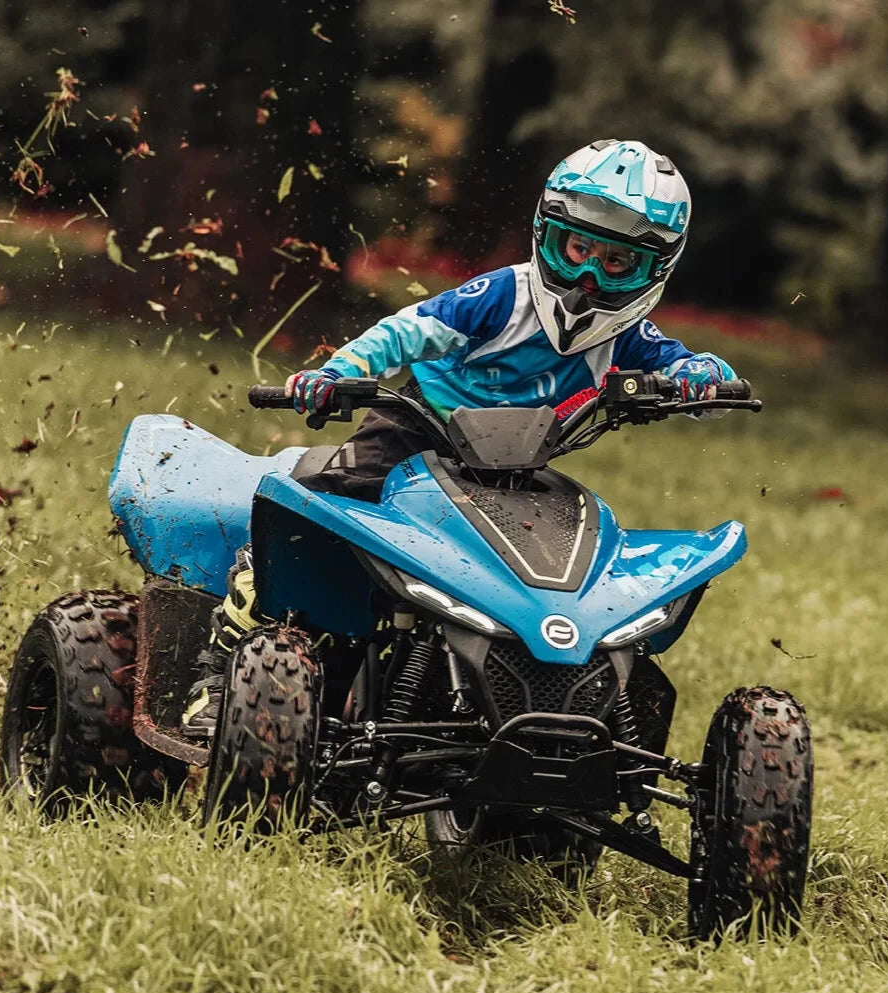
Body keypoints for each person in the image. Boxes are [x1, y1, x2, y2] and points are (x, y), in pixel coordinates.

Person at [180, 138, 738, 738]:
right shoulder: (503, 296)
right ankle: (219, 670)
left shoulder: (629, 337)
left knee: (557, 568)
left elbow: (689, 368)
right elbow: (406, 331)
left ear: (654, 268)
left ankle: (514, 688)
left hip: (522, 460)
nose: (587, 276)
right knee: (309, 507)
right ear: (546, 233)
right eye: (577, 248)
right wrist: (337, 372)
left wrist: (705, 380)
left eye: (616, 263)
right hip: (417, 429)